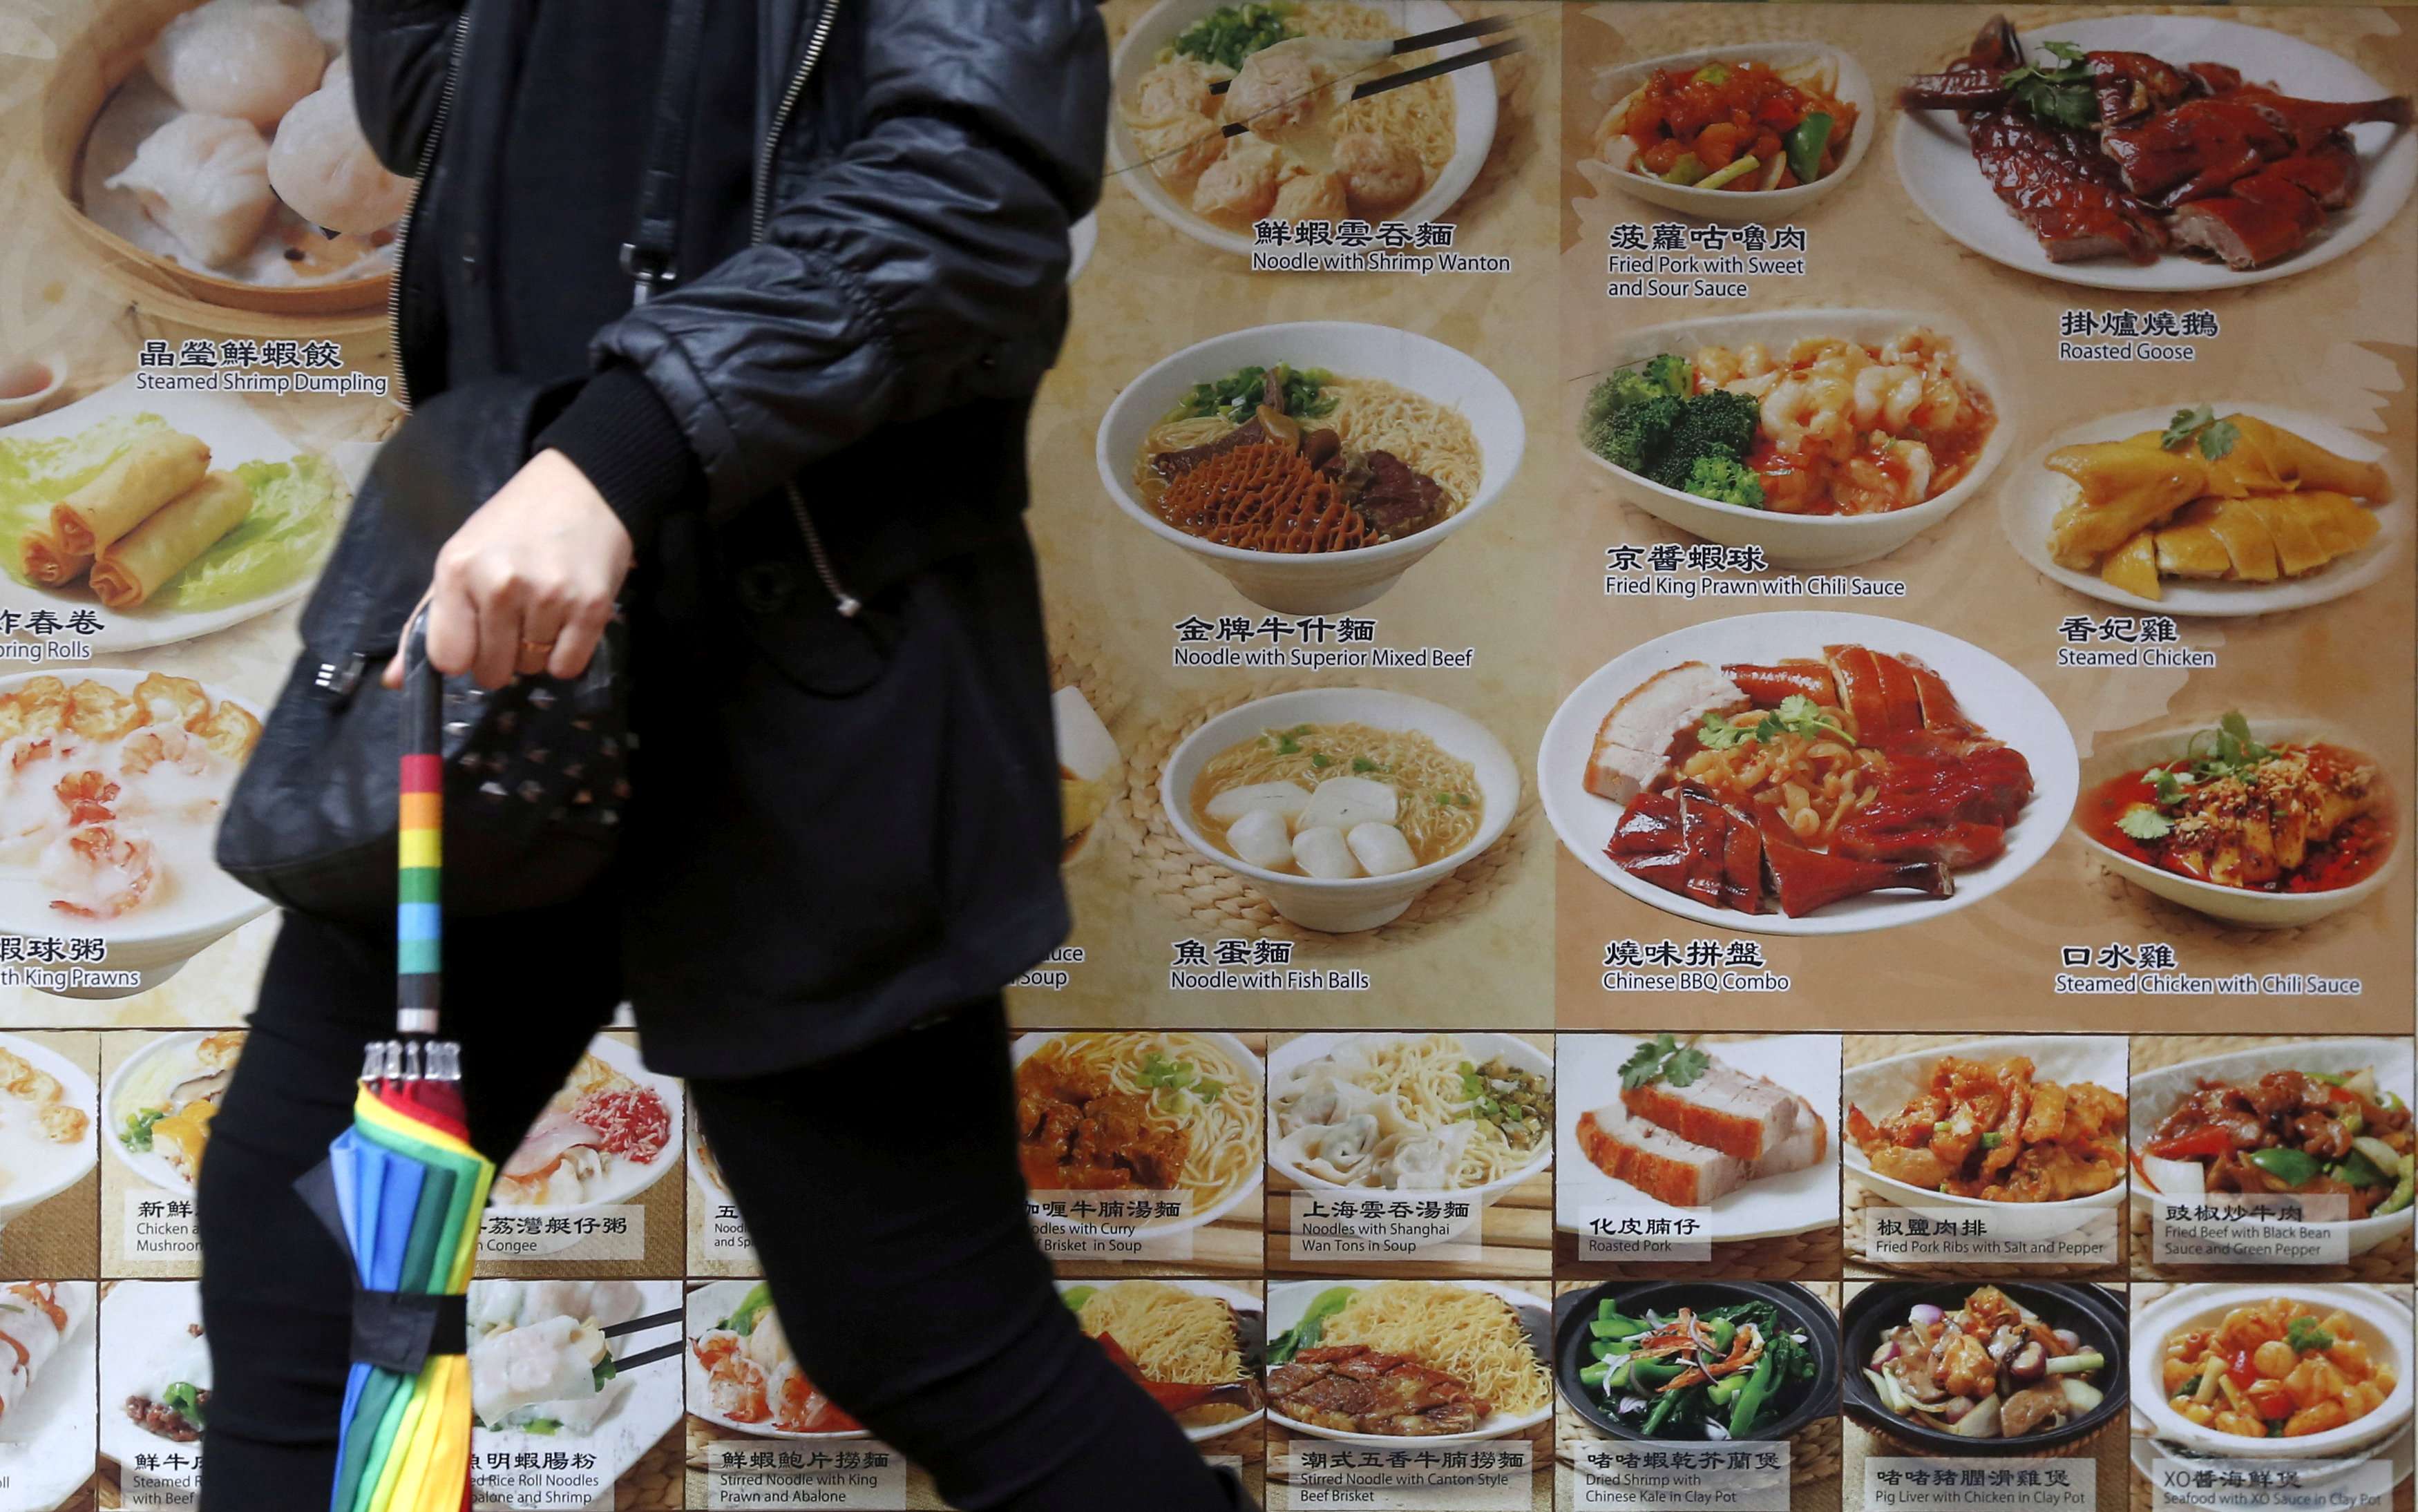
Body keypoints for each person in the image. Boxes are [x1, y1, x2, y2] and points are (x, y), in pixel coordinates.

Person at [196, 2, 1255, 1509]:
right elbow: (437, 110)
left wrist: (617, 457)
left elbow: (974, 191)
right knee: (306, 1241)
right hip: (514, 688)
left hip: (807, 681)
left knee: (913, 1330)